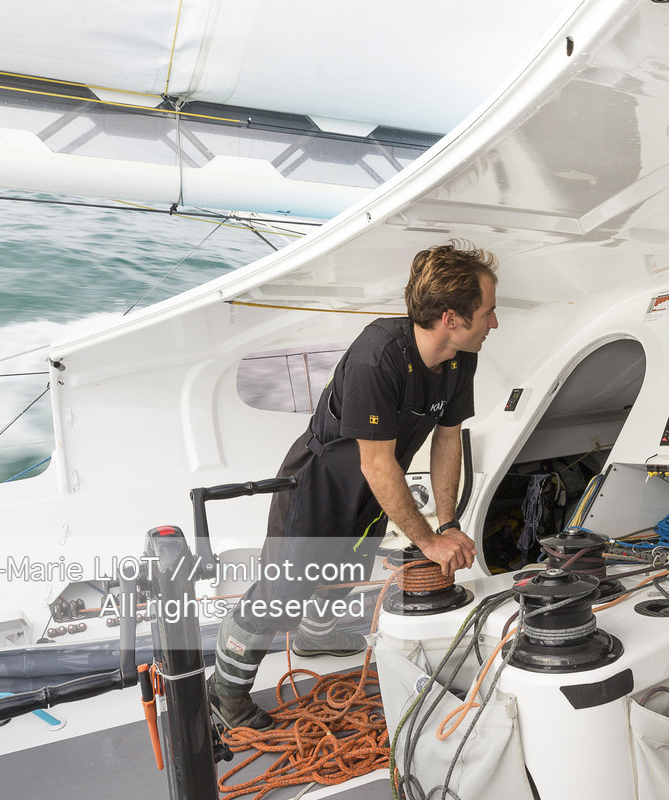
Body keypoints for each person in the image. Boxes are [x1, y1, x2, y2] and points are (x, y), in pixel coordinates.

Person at [208, 243, 499, 730]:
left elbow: (447, 439)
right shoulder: (378, 356)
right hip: (319, 484)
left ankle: (316, 637)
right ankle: (225, 694)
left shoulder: (459, 358)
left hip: (372, 486)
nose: (494, 322)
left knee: (347, 569)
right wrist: (428, 541)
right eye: (488, 312)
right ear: (451, 318)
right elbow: (377, 463)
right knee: (281, 592)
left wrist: (448, 523)